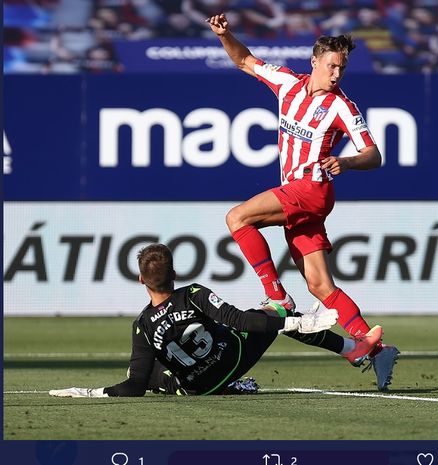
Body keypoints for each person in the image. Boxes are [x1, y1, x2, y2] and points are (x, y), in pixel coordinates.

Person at [206, 12, 400, 391]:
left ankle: (276, 297)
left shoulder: (343, 106)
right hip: (300, 195)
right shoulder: (287, 84)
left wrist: (346, 161)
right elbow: (244, 60)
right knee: (319, 285)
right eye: (331, 65)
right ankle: (373, 348)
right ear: (315, 62)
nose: (337, 73)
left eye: (342, 67)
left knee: (237, 218)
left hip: (311, 190)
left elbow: (374, 155)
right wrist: (225, 35)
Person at [49, 243, 382, 397]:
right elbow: (238, 320)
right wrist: (293, 323)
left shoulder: (142, 325)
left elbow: (134, 387)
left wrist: (89, 392)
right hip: (234, 359)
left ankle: (177, 387)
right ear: (174, 274)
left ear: (140, 280)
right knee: (269, 314)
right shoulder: (192, 292)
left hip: (199, 388)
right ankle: (349, 347)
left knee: (143, 373)